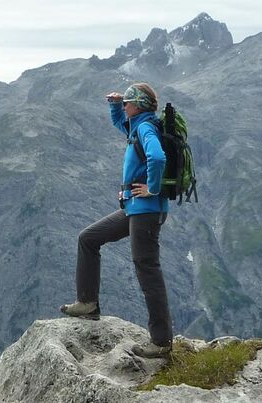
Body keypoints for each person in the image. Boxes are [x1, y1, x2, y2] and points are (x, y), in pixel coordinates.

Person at [60, 83, 173, 358]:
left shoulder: (145, 128)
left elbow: (158, 157)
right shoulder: (136, 126)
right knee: (89, 238)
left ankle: (161, 342)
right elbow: (119, 122)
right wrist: (114, 104)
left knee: (147, 269)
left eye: (127, 103)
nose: (124, 106)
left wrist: (153, 188)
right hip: (135, 208)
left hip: (146, 209)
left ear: (138, 105)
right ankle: (88, 303)